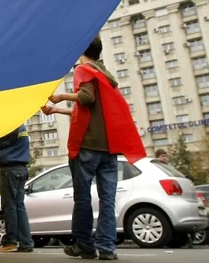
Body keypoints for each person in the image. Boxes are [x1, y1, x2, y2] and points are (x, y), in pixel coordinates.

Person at [44, 36, 145, 260]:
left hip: (87, 147)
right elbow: (92, 111)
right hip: (109, 148)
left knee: (82, 198)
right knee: (108, 200)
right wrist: (59, 111)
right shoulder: (106, 74)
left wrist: (61, 97)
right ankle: (107, 249)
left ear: (81, 50)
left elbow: (86, 98)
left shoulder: (84, 69)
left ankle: (85, 245)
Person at [0, 124, 33, 252]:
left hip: (10, 170)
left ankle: (10, 241)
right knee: (19, 206)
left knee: (10, 206)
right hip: (21, 169)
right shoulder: (22, 127)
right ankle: (26, 242)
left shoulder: (13, 125)